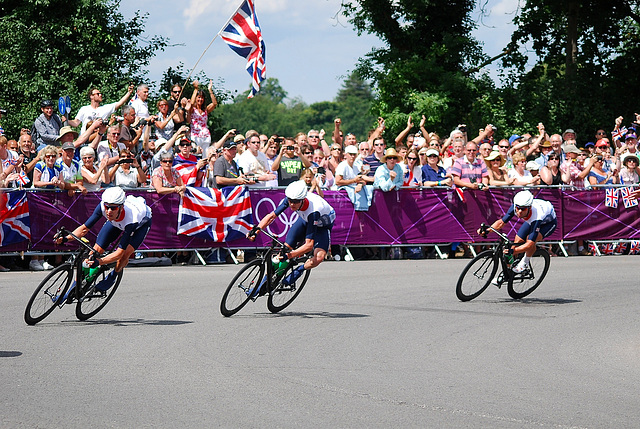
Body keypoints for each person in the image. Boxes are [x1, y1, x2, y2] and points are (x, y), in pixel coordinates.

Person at [55, 187, 152, 291]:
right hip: (116, 221)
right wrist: (66, 238)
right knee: (96, 250)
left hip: (140, 226)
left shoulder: (132, 219)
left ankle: (114, 275)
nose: (109, 211)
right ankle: (77, 284)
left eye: (113, 208)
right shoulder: (102, 206)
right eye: (107, 207)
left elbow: (119, 253)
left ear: (121, 207)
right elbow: (84, 229)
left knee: (125, 254)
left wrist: (99, 262)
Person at [248, 180, 335, 286]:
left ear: (303, 199)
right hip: (305, 221)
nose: (292, 204)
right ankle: (267, 278)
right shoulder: (291, 199)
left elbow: (309, 246)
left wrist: (289, 256)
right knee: (285, 248)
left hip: (322, 227)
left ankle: (299, 270)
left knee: (319, 257)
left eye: (296, 201)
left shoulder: (314, 211)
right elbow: (271, 216)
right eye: (290, 201)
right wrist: (256, 230)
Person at [481, 190, 557, 274]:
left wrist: (513, 251)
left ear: (529, 208)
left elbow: (529, 244)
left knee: (530, 239)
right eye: (518, 208)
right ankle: (507, 273)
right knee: (516, 242)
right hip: (530, 221)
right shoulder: (516, 207)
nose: (520, 211)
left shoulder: (537, 216)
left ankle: (525, 263)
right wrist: (488, 231)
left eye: (523, 209)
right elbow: (501, 222)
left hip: (548, 224)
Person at [68, 84, 134, 133]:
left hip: (98, 141)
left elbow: (120, 103)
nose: (100, 95)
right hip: (84, 140)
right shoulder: (84, 109)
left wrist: (129, 93)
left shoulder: (105, 108)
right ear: (91, 96)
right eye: (98, 94)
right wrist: (66, 120)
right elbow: (76, 123)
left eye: (100, 94)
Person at [186, 80, 217, 153]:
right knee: (195, 154)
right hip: (195, 136)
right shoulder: (192, 109)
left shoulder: (205, 109)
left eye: (202, 98)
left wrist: (210, 90)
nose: (200, 99)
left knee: (205, 156)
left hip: (205, 136)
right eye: (199, 97)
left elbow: (214, 103)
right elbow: (192, 103)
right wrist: (195, 89)